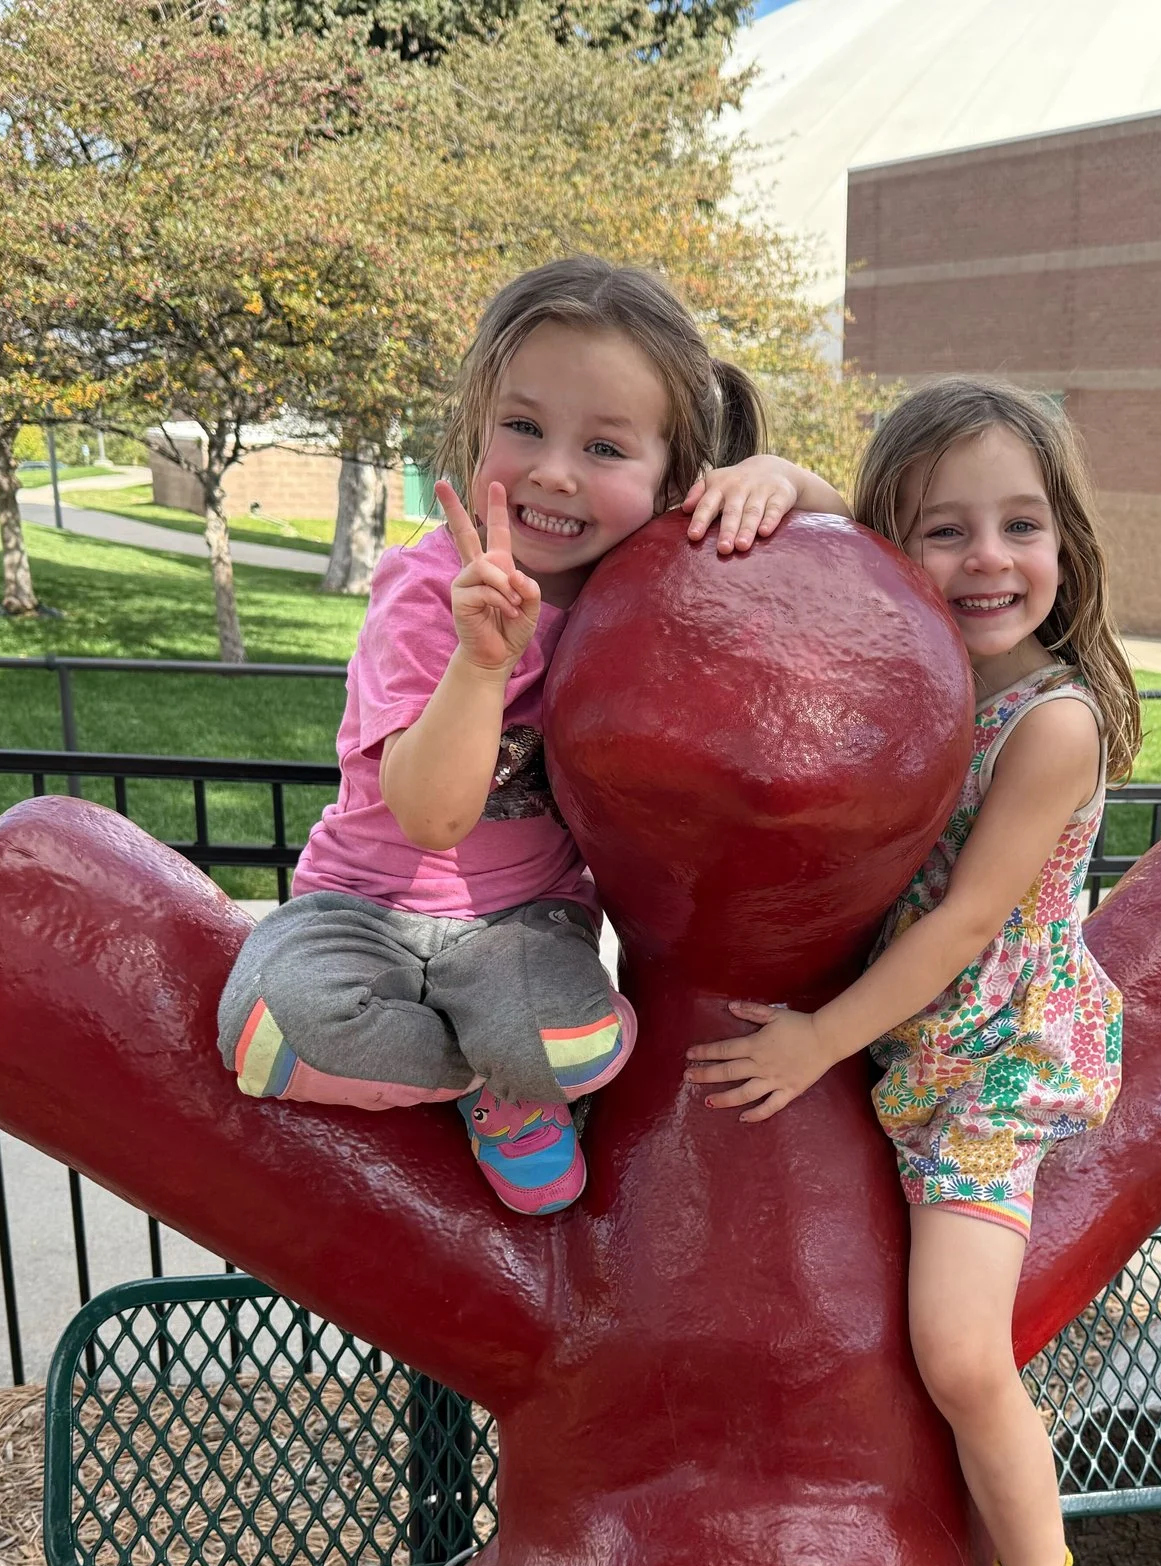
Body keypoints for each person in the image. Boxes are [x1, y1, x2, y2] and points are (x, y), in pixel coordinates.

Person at [682, 378, 1142, 1566]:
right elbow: (827, 511)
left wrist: (819, 1038)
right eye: (943, 530)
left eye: (1020, 524)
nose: (987, 558)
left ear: (1065, 541)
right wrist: (773, 478)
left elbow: (955, 934)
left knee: (955, 1348)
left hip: (988, 1065)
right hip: (904, 1035)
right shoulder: (906, 661)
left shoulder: (1047, 723)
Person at [218, 256, 813, 1214]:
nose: (552, 470)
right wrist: (484, 662)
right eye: (524, 427)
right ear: (477, 424)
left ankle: (518, 1072)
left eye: (606, 449)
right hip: (364, 906)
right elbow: (429, 815)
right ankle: (494, 1087)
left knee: (578, 1045)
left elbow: (844, 563)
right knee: (265, 1030)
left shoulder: (654, 591)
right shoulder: (426, 590)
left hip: (526, 924)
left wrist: (781, 479)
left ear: (675, 480)